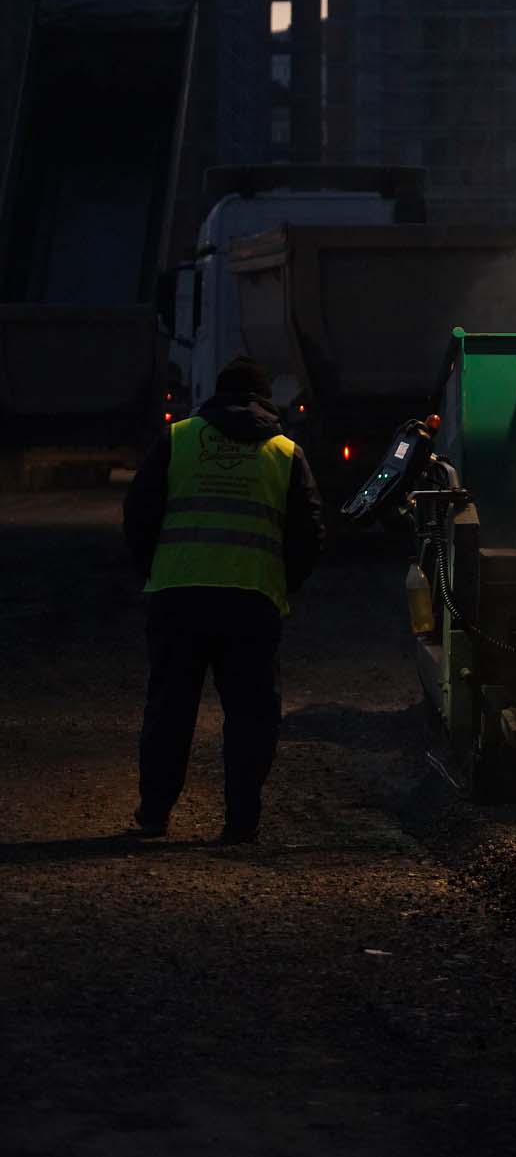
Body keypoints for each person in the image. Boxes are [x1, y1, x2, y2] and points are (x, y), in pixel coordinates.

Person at [123, 357, 324, 844]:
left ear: (217, 395)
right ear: (263, 402)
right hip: (251, 602)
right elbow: (309, 532)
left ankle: (154, 814)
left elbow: (139, 512)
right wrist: (282, 582)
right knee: (251, 715)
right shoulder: (284, 451)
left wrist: (155, 568)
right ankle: (240, 822)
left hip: (178, 598)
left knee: (170, 709)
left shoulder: (179, 440)